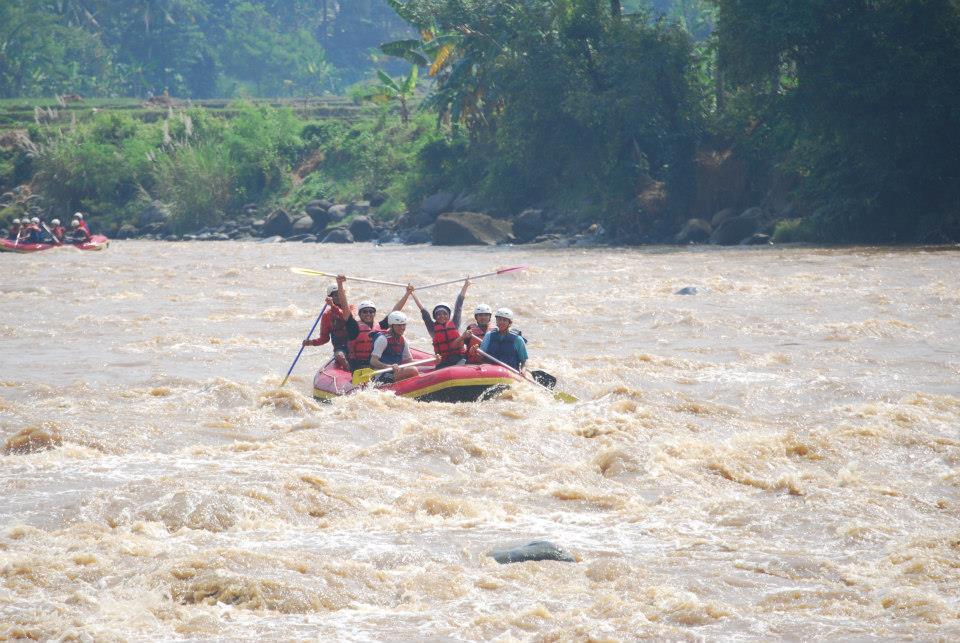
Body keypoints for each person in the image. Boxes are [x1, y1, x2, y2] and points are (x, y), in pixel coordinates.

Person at [339, 281, 415, 372]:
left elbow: (395, 312)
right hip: (357, 366)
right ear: (359, 314)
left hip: (375, 365)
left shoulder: (380, 326)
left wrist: (407, 294)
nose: (368, 314)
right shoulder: (353, 327)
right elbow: (345, 308)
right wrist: (340, 284)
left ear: (374, 313)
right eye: (364, 311)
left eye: (371, 311)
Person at [411, 279, 472, 369]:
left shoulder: (454, 323)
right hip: (443, 361)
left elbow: (458, 305)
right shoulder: (432, 328)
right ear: (435, 317)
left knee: (462, 363)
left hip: (459, 358)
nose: (442, 316)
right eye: (438, 314)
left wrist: (465, 286)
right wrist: (412, 293)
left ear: (448, 315)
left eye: (444, 314)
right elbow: (424, 311)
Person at [302, 277, 350, 370]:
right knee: (340, 356)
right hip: (340, 348)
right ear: (330, 297)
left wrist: (333, 306)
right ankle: (350, 371)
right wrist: (311, 342)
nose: (339, 297)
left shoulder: (351, 308)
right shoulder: (327, 315)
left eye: (341, 294)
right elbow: (324, 338)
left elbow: (346, 317)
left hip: (354, 344)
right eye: (336, 295)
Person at [369, 311, 420, 382]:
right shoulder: (383, 339)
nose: (402, 328)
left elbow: (409, 360)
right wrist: (389, 366)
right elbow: (373, 361)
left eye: (403, 325)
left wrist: (431, 363)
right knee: (412, 370)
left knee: (413, 370)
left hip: (394, 372)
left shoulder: (402, 340)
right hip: (381, 374)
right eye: (399, 325)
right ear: (391, 326)